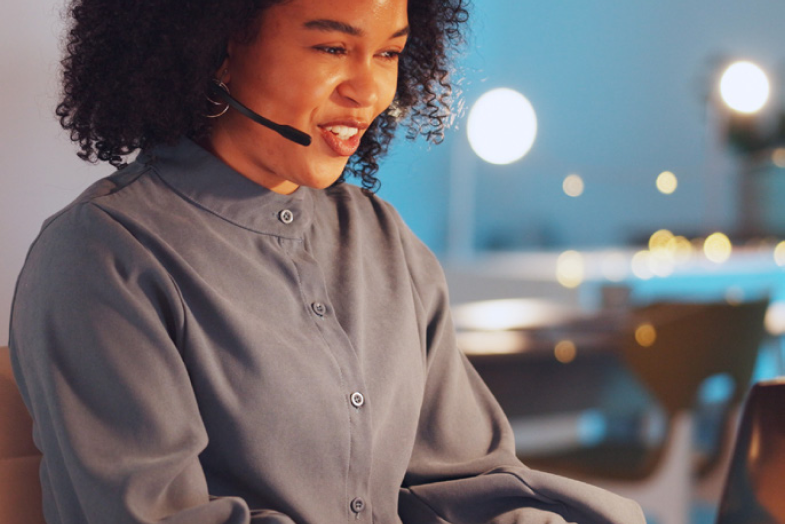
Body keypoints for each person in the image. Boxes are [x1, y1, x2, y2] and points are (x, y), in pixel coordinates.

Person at [8, 0, 646, 522]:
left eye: (390, 53)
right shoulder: (102, 256)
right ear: (219, 48)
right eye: (332, 48)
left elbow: (463, 481)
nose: (369, 90)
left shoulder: (382, 239)